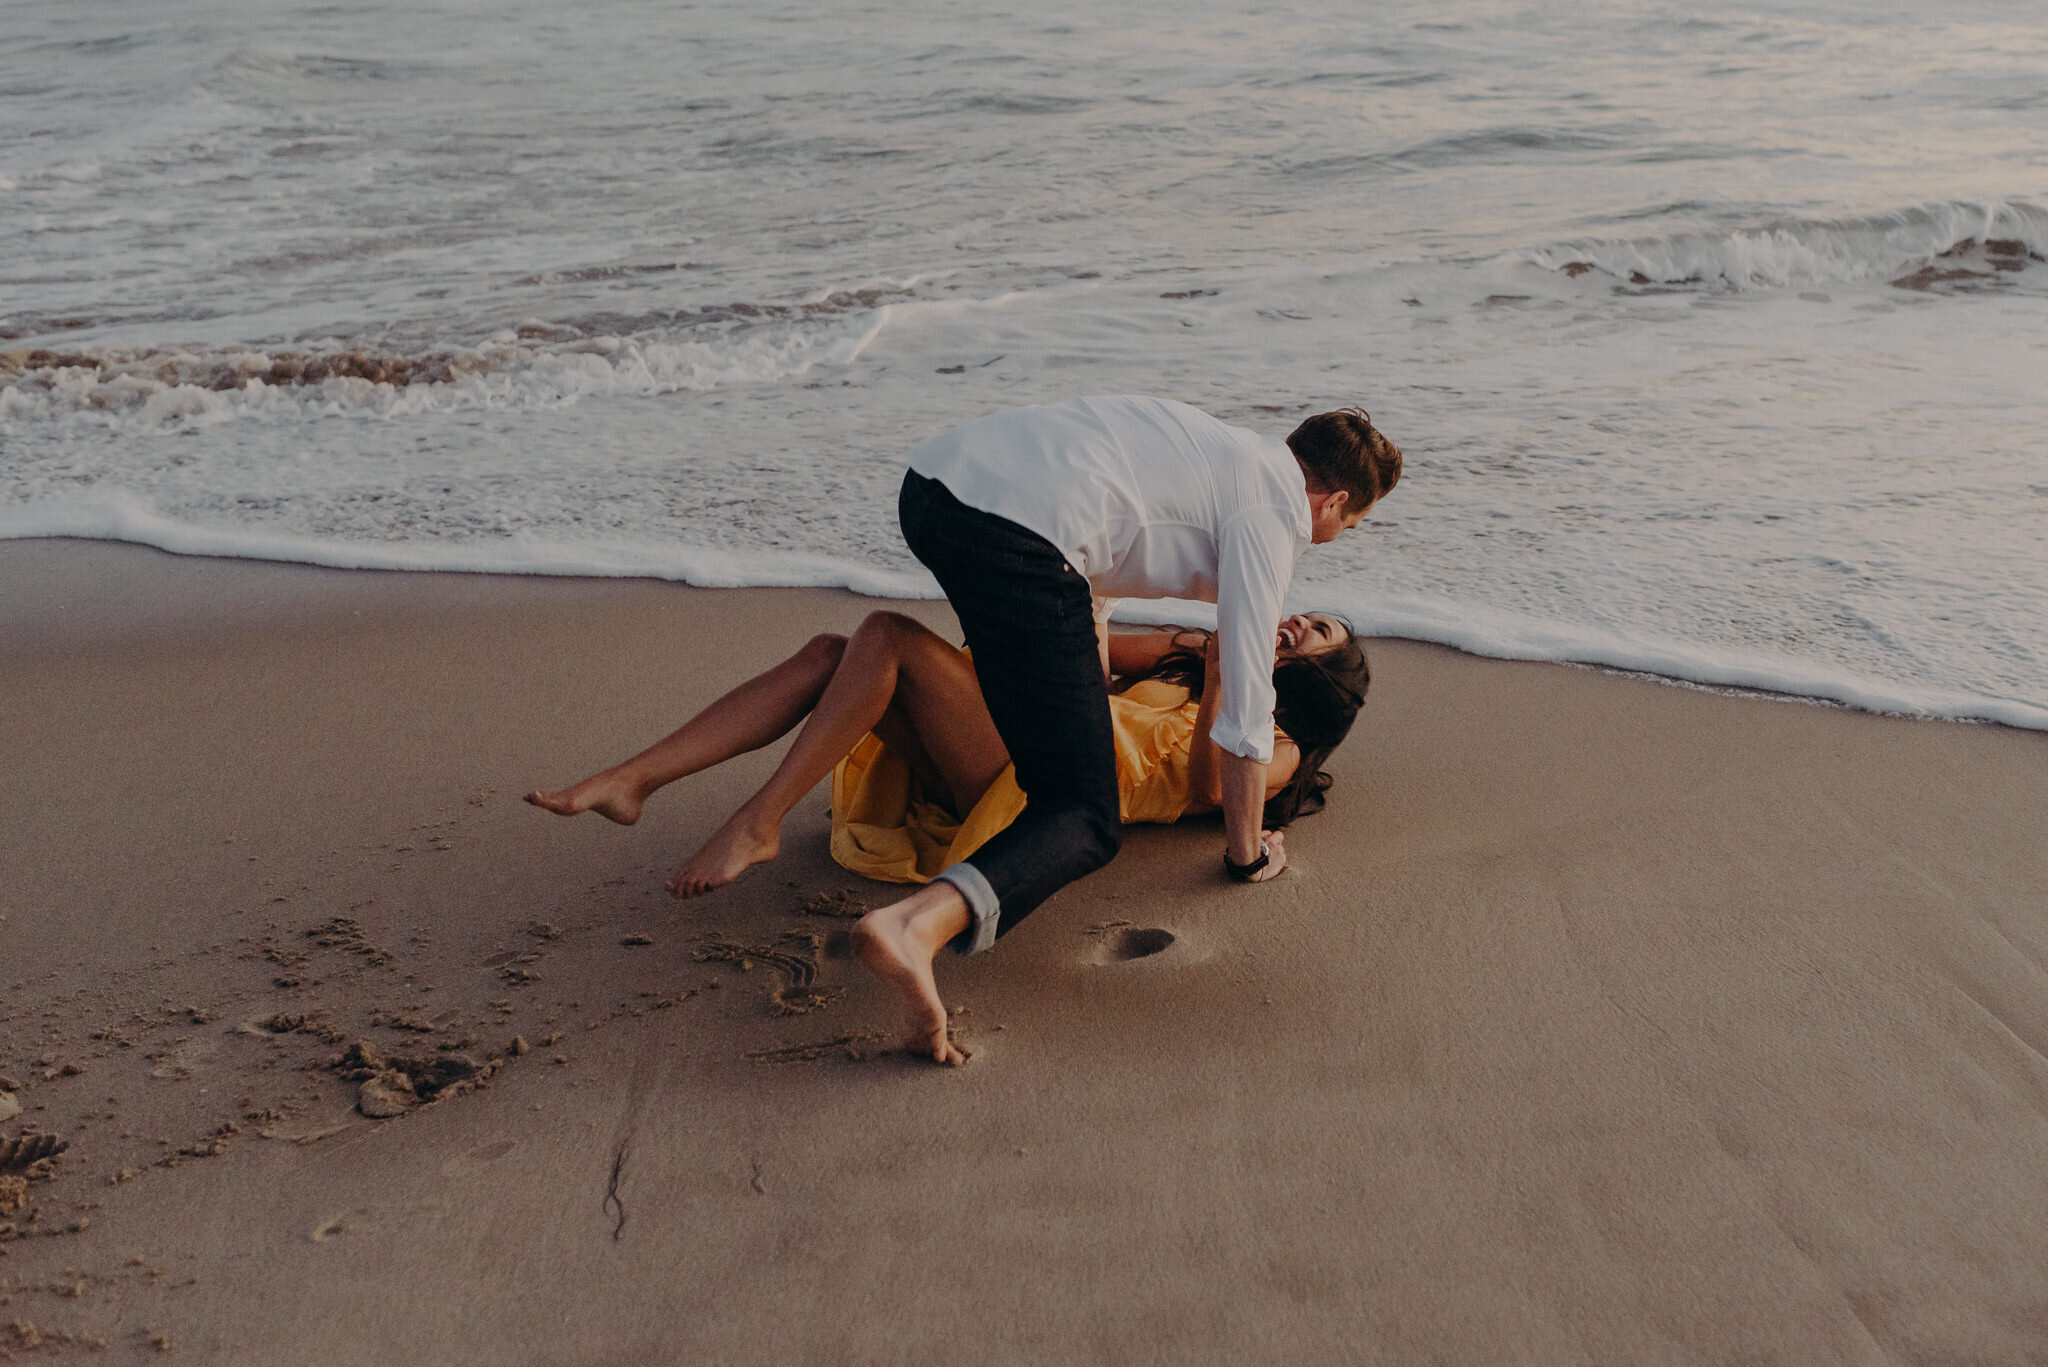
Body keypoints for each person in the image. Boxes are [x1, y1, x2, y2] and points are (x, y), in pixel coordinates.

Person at [857, 396, 1399, 1063]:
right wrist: (1246, 855)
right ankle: (913, 926)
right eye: (1353, 522)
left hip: (935, 492)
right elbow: (1248, 706)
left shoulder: (1219, 450)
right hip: (1017, 541)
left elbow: (1103, 557)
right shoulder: (1274, 513)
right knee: (1083, 812)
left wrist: (1086, 675)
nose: (1338, 533)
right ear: (1333, 500)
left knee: (1043, 751)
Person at [524, 608, 1367, 899]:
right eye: (1308, 613)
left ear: (1325, 673)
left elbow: (1203, 793)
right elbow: (1095, 649)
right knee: (831, 651)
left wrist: (1225, 682)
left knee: (885, 636)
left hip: (1045, 781)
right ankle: (634, 778)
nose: (1298, 623)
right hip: (1024, 725)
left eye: (1317, 633)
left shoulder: (1279, 745)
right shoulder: (1197, 648)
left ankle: (760, 818)